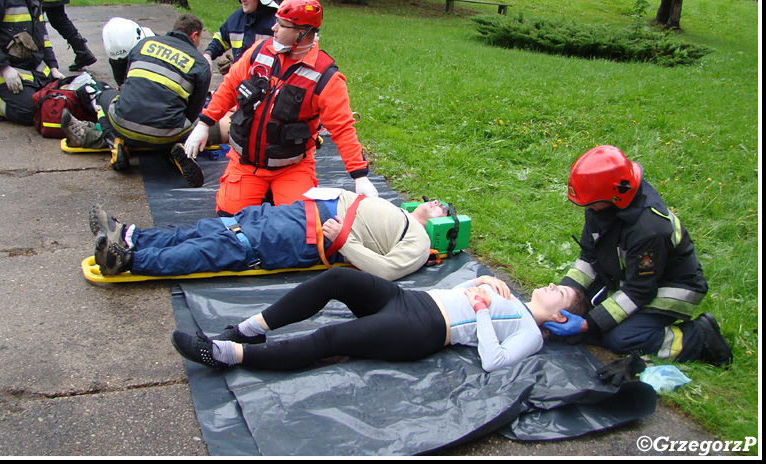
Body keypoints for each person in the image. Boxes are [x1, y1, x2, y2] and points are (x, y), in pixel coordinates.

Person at [170, 266, 586, 372]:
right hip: (410, 299)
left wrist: (479, 313)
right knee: (337, 278)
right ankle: (247, 329)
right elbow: (466, 290)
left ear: (560, 314)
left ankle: (228, 354)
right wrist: (484, 281)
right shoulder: (508, 292)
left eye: (560, 292)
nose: (552, 286)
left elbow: (494, 361)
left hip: (422, 329)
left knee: (332, 336)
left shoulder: (532, 334)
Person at [184, 0, 379, 216]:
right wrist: (204, 123)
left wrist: (359, 177)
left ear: (303, 32)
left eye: (282, 25)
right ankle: (259, 195)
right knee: (230, 219)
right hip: (245, 163)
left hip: (291, 168)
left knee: (298, 225)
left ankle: (273, 197)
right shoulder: (259, 51)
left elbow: (343, 129)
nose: (273, 28)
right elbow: (229, 87)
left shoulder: (326, 77)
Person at [544, 145, 733, 367]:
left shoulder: (649, 228)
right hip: (633, 278)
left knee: (620, 338)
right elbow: (588, 258)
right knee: (588, 315)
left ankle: (698, 337)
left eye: (592, 203)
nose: (588, 209)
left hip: (670, 288)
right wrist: (563, 296)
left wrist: (587, 324)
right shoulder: (602, 206)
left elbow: (640, 290)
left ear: (615, 194)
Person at [89, 191, 448, 281]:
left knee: (228, 245)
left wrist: (345, 241)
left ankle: (129, 260)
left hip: (312, 233)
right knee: (214, 228)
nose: (437, 203)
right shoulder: (400, 210)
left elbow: (385, 271)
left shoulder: (418, 244)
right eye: (436, 200)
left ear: (445, 229)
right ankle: (133, 236)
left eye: (444, 208)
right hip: (299, 212)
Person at [61, 14, 211, 187]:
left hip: (123, 126)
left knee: (103, 95)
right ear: (194, 35)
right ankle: (176, 149)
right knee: (197, 125)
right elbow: (192, 113)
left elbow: (125, 87)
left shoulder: (144, 44)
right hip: (169, 133)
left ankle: (114, 142)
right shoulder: (200, 63)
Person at [203, 0, 278, 74]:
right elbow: (222, 38)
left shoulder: (276, 21)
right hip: (238, 80)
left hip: (266, 83)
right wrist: (208, 54)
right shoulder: (237, 18)